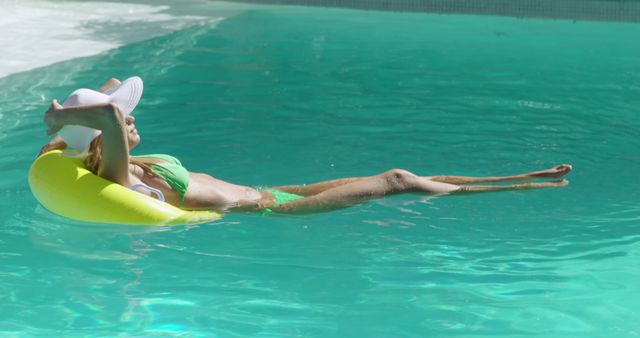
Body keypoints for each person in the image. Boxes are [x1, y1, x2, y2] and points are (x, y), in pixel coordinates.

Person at [41, 77, 572, 214]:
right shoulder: (118, 172)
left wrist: (65, 120)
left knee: (404, 174)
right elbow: (110, 112)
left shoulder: (111, 155)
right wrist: (63, 115)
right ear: (106, 137)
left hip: (274, 190)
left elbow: (110, 93)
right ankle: (515, 189)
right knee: (398, 181)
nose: (134, 121)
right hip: (273, 210)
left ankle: (522, 175)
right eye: (130, 122)